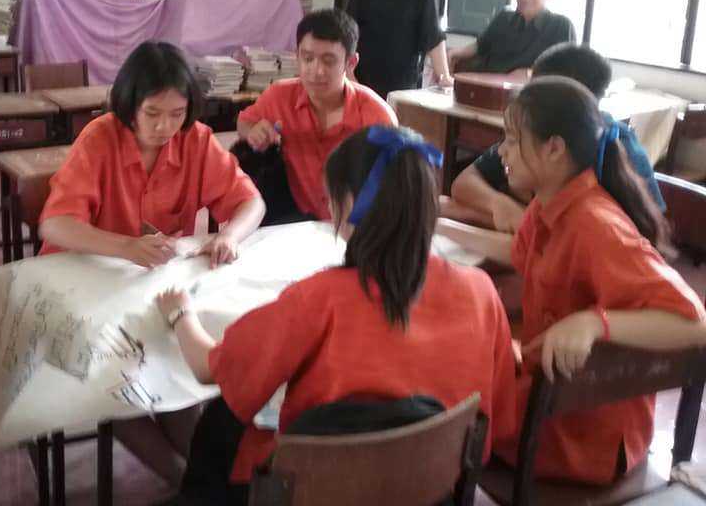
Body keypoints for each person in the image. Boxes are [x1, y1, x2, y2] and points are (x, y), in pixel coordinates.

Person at [155, 126, 517, 504]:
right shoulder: (480, 292)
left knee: (221, 420)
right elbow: (500, 421)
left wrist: (180, 313)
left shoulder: (319, 298)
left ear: (349, 204)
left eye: (331, 198)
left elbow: (208, 368)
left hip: (321, 490)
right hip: (434, 489)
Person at [38, 40, 265, 485]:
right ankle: (188, 481)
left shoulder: (195, 140)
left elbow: (251, 203)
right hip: (84, 285)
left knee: (176, 363)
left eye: (177, 114)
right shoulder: (99, 139)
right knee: (115, 382)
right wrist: (126, 247)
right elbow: (55, 224)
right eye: (152, 114)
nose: (165, 127)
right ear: (129, 105)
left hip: (147, 285)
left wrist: (228, 236)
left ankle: (205, 480)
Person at [490, 77, 706, 484]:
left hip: (585, 436)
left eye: (513, 140)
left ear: (554, 148)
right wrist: (440, 228)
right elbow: (518, 253)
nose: (501, 150)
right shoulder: (549, 202)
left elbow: (696, 323)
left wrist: (593, 323)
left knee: (449, 416)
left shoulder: (596, 226)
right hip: (552, 398)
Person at [446, 44, 665, 234]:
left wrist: (510, 218)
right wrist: (499, 204)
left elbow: (559, 242)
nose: (526, 98)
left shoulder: (609, 150)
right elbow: (464, 183)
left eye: (534, 91)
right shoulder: (538, 133)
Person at [236, 9, 397, 223]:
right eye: (308, 58)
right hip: (298, 218)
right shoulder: (279, 95)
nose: (316, 71)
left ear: (351, 62)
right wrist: (253, 132)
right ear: (297, 56)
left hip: (357, 223)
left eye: (329, 61)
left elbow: (394, 187)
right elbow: (244, 121)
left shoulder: (376, 116)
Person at [448, 0, 575, 74]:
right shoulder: (504, 18)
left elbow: (563, 69)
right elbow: (480, 46)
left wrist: (529, 73)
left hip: (528, 90)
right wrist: (456, 52)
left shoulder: (560, 25)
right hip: (488, 81)